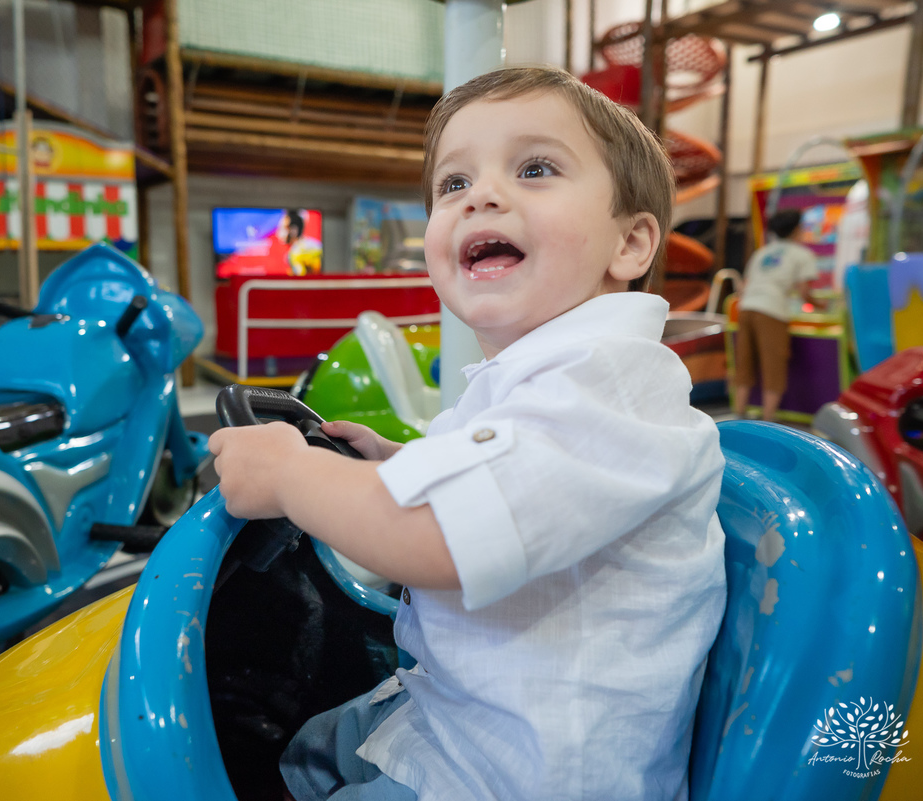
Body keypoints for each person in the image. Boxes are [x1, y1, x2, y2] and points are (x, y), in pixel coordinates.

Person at [209, 66, 727, 801]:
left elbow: (440, 538)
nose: (480, 195)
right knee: (298, 748)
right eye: (453, 184)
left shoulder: (612, 384)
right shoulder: (533, 378)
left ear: (631, 244)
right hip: (454, 721)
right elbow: (506, 479)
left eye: (536, 168)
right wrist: (396, 461)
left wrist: (294, 475)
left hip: (518, 777)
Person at [734, 209, 822, 422]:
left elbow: (744, 287)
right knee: (774, 366)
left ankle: (737, 417)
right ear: (797, 229)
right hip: (772, 311)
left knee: (744, 364)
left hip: (746, 309)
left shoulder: (762, 252)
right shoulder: (802, 254)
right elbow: (805, 294)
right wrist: (823, 305)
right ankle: (768, 420)